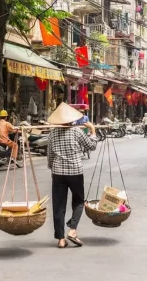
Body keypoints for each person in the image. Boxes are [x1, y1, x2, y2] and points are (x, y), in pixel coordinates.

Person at [47, 103, 98, 249]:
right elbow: (92, 146)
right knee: (79, 202)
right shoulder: (76, 132)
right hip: (75, 171)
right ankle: (73, 230)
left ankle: (61, 239)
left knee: (58, 206)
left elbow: (50, 156)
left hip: (58, 173)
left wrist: (52, 169)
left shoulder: (52, 134)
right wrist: (92, 130)